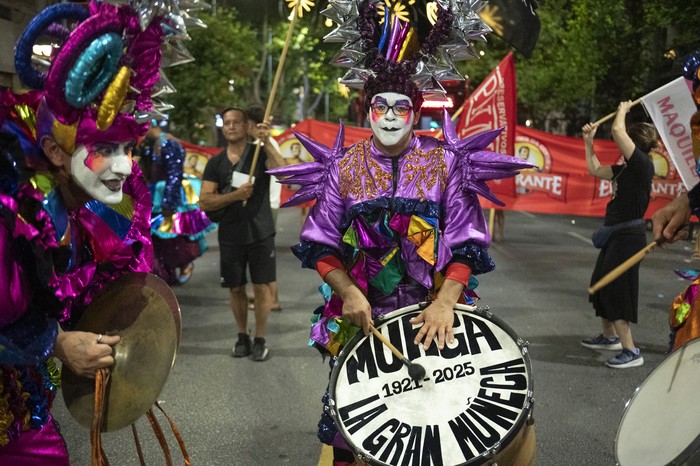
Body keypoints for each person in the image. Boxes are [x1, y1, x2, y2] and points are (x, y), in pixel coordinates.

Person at [269, 70, 532, 464]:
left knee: (443, 423)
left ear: (415, 112)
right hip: (365, 321)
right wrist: (349, 293)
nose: (390, 116)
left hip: (436, 318)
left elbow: (467, 244)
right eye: (380, 105)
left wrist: (445, 302)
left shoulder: (445, 163)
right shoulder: (344, 169)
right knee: (359, 428)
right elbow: (319, 247)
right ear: (366, 110)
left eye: (401, 106)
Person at [0, 0, 187, 461]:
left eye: (127, 147)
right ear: (55, 151)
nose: (125, 166)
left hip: (25, 405)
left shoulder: (90, 216)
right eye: (104, 148)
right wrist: (59, 344)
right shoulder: (13, 219)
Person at [199, 107, 286, 361]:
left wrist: (267, 140)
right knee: (235, 288)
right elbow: (205, 201)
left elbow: (284, 172)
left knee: (261, 287)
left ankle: (260, 338)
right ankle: (242, 335)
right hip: (230, 234)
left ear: (247, 125)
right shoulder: (216, 163)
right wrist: (236, 196)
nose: (232, 126)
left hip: (261, 232)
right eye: (227, 123)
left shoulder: (259, 155)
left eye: (237, 122)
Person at [580, 100, 658, 369]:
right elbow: (594, 169)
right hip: (615, 235)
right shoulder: (625, 168)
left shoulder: (642, 166)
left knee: (617, 290)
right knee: (601, 285)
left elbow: (617, 132)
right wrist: (588, 141)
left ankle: (631, 350)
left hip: (629, 238)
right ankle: (609, 336)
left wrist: (622, 111)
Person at [136, 122, 214, 286]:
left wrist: (168, 203)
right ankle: (164, 274)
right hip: (156, 196)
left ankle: (182, 265)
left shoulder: (169, 144)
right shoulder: (149, 146)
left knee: (174, 236)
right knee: (158, 239)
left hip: (169, 196)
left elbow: (174, 175)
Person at [246, 105, 282, 311]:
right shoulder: (253, 144)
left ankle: (273, 298)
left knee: (265, 252)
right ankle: (265, 294)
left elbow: (282, 170)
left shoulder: (267, 144)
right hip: (262, 205)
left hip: (267, 205)